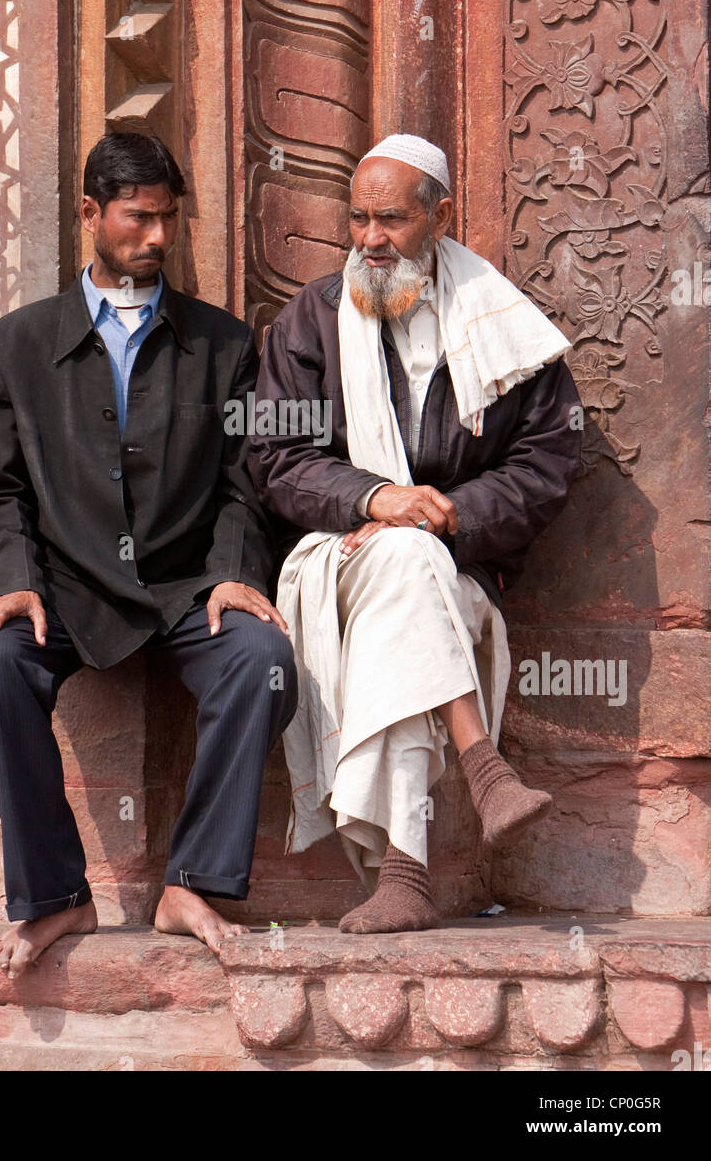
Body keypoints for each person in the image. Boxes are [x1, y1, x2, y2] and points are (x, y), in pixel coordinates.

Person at [0, 132, 296, 976]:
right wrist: (13, 584)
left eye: (168, 220)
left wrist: (232, 575)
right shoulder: (13, 347)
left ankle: (192, 885)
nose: (156, 238)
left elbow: (243, 485)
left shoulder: (224, 346)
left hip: (186, 587)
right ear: (89, 214)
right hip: (63, 590)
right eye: (138, 219)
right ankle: (55, 895)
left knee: (260, 659)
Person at [248, 133, 583, 933]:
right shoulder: (313, 320)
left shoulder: (502, 323)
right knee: (399, 550)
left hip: (450, 563)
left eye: (391, 220)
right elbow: (275, 456)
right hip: (338, 555)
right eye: (358, 220)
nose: (370, 240)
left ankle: (405, 877)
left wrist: (452, 515)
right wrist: (373, 499)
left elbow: (548, 458)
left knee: (408, 566)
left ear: (440, 215)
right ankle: (482, 763)